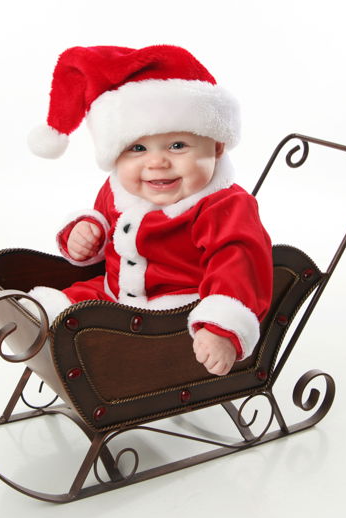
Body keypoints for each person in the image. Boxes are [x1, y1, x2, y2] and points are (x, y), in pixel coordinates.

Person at [25, 45, 273, 393]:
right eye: (137, 149)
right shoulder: (120, 190)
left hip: (171, 313)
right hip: (113, 292)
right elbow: (107, 232)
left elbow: (239, 264)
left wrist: (221, 328)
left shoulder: (224, 206)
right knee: (50, 307)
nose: (156, 163)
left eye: (177, 146)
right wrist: (86, 232)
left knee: (90, 325)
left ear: (217, 146)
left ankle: (111, 375)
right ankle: (56, 353)